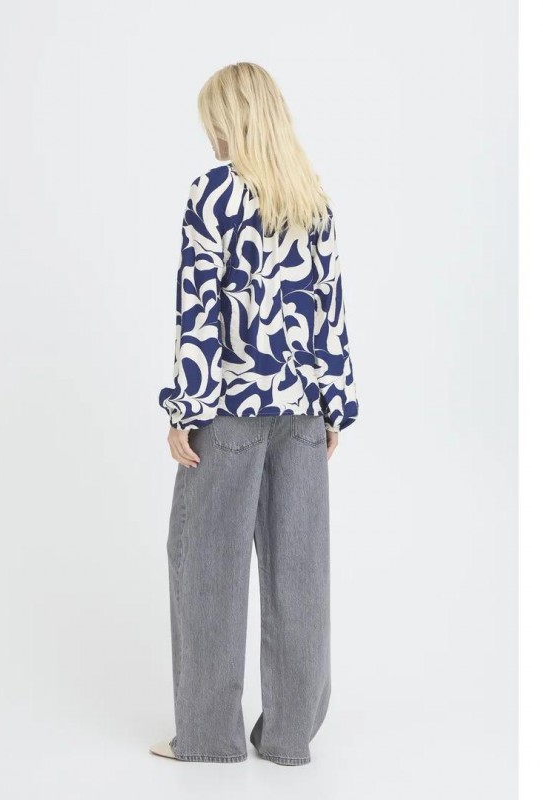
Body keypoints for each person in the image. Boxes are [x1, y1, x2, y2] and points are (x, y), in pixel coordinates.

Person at [150, 62, 359, 766]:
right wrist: (333, 407)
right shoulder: (312, 198)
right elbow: (329, 313)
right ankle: (288, 737)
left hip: (231, 412)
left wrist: (185, 408)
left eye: (213, 120)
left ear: (230, 120)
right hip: (302, 416)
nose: (209, 134)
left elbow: (198, 311)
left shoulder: (212, 193)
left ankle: (209, 738)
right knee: (300, 577)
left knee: (206, 568)